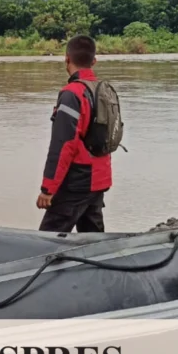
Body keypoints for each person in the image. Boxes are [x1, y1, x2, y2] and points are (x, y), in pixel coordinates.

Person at [36, 35, 113, 232]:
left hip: (77, 181)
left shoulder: (72, 94)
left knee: (47, 240)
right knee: (92, 238)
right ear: (94, 61)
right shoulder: (101, 90)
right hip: (99, 177)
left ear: (67, 59)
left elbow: (63, 144)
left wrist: (48, 188)